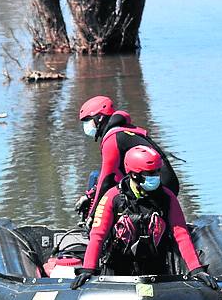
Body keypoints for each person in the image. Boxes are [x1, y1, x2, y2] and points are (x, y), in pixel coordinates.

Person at [71, 146, 217, 290]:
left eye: (157, 172)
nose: (156, 177)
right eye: (150, 173)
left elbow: (181, 234)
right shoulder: (112, 197)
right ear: (134, 174)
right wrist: (88, 269)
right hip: (117, 273)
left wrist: (196, 270)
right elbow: (97, 235)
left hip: (156, 271)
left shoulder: (167, 197)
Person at [75, 95, 180, 224]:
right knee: (96, 176)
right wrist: (89, 195)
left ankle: (102, 230)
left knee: (100, 180)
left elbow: (107, 180)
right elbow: (113, 175)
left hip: (158, 187)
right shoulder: (124, 131)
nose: (86, 125)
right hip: (165, 183)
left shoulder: (113, 138)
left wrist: (93, 215)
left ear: (100, 117)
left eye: (88, 120)